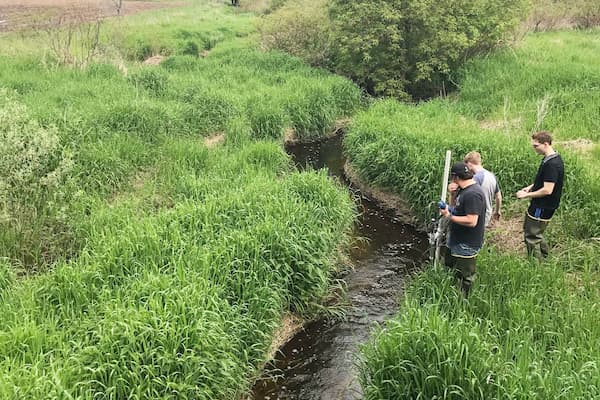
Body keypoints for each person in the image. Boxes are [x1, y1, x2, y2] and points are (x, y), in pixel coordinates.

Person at [440, 162, 486, 296]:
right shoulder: (464, 190)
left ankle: (463, 302)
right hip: (456, 238)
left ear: (455, 177)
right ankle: (450, 294)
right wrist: (452, 196)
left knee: (465, 277)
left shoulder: (473, 194)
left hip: (466, 243)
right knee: (451, 269)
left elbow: (472, 221)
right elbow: (457, 208)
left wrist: (449, 217)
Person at [516, 131, 564, 259]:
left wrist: (526, 195)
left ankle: (536, 265)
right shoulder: (550, 159)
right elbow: (545, 180)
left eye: (536, 146)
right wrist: (530, 187)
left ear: (546, 144)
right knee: (534, 231)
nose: (534, 149)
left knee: (532, 236)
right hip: (541, 204)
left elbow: (548, 190)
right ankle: (545, 257)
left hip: (543, 205)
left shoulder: (552, 164)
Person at [463, 151, 502, 227]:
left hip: (477, 216)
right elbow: (498, 197)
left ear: (470, 164)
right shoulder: (491, 175)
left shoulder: (476, 178)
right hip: (487, 215)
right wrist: (497, 211)